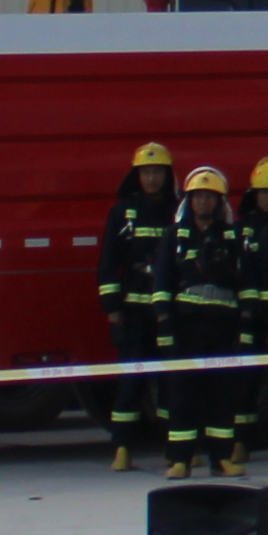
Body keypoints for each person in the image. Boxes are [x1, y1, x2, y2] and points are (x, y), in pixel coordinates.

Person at [95, 141, 181, 472]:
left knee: (173, 383)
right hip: (134, 313)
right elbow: (108, 263)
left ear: (167, 174)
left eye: (158, 171)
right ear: (137, 176)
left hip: (170, 314)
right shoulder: (123, 213)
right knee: (130, 382)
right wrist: (113, 308)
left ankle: (175, 448)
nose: (152, 178)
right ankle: (122, 448)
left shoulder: (180, 210)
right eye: (146, 172)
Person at [160, 168, 248, 476]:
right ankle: (181, 460)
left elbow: (245, 284)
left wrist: (244, 327)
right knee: (182, 394)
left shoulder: (233, 237)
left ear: (219, 202)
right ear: (189, 201)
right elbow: (162, 283)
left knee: (222, 395)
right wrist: (165, 326)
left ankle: (221, 459)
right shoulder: (174, 236)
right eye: (198, 196)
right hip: (186, 326)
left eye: (210, 197)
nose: (203, 202)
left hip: (223, 326)